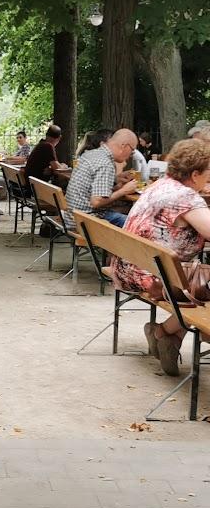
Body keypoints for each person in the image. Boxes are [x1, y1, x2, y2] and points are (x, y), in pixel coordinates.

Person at [111, 138, 210, 376]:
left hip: (129, 267)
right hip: (155, 277)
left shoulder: (161, 185)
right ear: (195, 174)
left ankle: (168, 335)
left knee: (196, 278)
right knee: (205, 285)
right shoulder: (186, 198)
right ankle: (164, 333)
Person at [64, 128, 138, 229]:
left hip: (73, 216)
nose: (131, 155)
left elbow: (92, 189)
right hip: (86, 221)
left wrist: (116, 180)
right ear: (123, 146)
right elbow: (97, 202)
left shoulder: (92, 153)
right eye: (132, 150)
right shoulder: (105, 163)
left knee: (128, 213)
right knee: (138, 225)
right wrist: (124, 191)